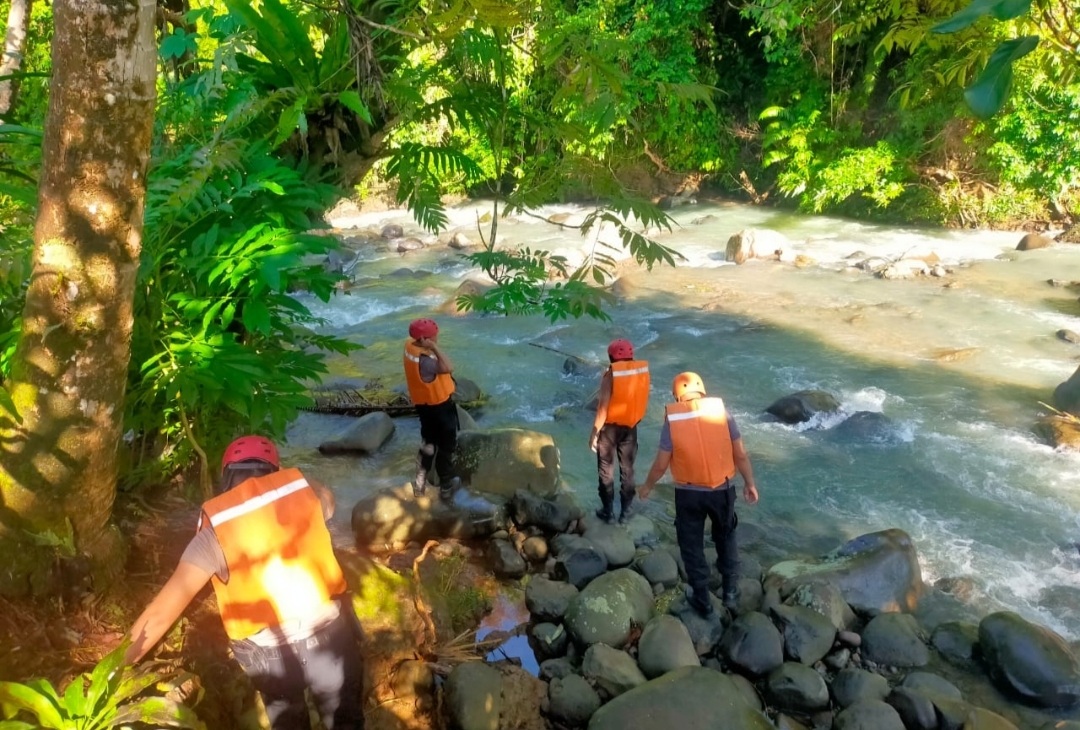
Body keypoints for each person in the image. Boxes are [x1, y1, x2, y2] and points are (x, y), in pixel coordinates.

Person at [124, 436, 365, 729]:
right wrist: (291, 475)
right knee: (346, 723)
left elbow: (161, 613)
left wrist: (116, 668)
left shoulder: (213, 535)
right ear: (274, 471)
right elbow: (327, 495)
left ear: (226, 477)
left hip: (270, 658)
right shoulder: (306, 498)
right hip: (332, 642)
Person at [638, 372, 759, 618]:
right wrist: (750, 483)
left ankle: (702, 599)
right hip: (722, 490)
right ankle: (730, 592)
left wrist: (648, 486)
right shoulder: (722, 413)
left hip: (688, 494)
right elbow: (741, 454)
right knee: (726, 537)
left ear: (677, 395)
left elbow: (662, 463)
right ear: (702, 390)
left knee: (691, 544)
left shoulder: (673, 419)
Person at [589, 338, 650, 524]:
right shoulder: (641, 372)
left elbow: (602, 408)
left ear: (610, 357)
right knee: (628, 470)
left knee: (606, 471)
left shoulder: (610, 375)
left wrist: (594, 433)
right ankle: (625, 512)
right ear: (631, 355)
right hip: (631, 427)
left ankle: (608, 512)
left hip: (609, 429)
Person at [403, 317, 460, 500]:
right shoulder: (426, 362)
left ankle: (419, 485)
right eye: (433, 338)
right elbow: (449, 367)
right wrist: (434, 348)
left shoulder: (410, 346)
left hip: (424, 407)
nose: (437, 340)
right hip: (440, 409)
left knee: (428, 444)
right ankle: (446, 487)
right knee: (446, 447)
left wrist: (430, 346)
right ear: (423, 340)